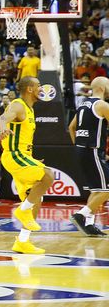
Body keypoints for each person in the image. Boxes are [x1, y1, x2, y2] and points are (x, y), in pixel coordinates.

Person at [0, 76, 55, 254]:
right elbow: (2, 118)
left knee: (35, 198)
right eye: (38, 86)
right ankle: (22, 211)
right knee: (48, 175)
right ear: (29, 89)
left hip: (24, 156)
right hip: (14, 156)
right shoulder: (18, 105)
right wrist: (2, 127)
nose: (41, 89)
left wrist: (33, 161)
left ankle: (22, 241)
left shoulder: (30, 109)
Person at [68, 76, 109, 236]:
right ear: (103, 88)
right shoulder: (102, 105)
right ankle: (81, 215)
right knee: (106, 189)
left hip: (81, 149)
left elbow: (71, 127)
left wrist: (78, 145)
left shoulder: (83, 105)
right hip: (92, 150)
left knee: (96, 189)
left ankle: (90, 224)